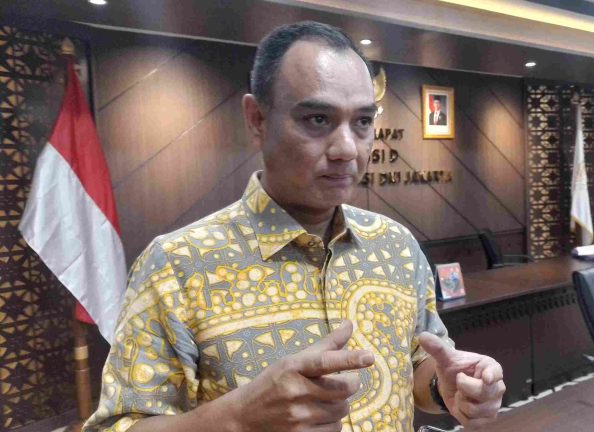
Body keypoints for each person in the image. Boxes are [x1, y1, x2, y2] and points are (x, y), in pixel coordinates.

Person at [84, 21, 504, 432]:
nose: (346, 149)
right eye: (318, 119)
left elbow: (416, 364)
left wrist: (445, 385)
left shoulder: (396, 245)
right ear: (257, 119)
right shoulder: (176, 265)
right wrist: (237, 417)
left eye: (362, 121)